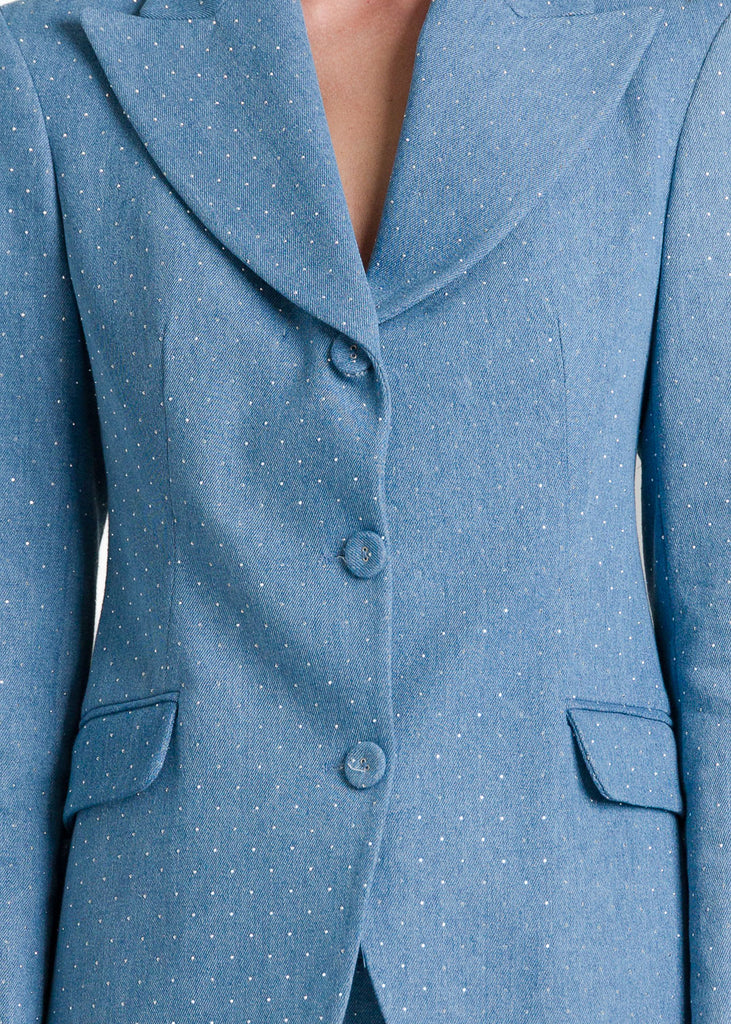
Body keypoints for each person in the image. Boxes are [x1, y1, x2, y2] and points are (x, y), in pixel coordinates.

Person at [1, 0, 730, 1020]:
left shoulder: (670, 50)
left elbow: (718, 617)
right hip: (181, 929)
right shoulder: (57, 65)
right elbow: (14, 637)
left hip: (564, 930)